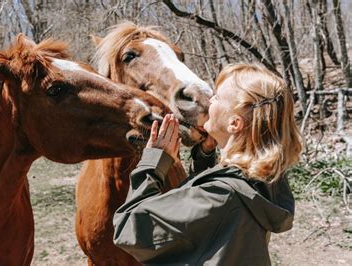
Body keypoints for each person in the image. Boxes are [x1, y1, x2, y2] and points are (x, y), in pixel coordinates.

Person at [113, 63, 303, 265]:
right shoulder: (262, 184)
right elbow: (212, 231)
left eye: (217, 97)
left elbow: (128, 227)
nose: (210, 100)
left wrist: (153, 162)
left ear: (234, 124)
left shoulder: (220, 197)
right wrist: (205, 155)